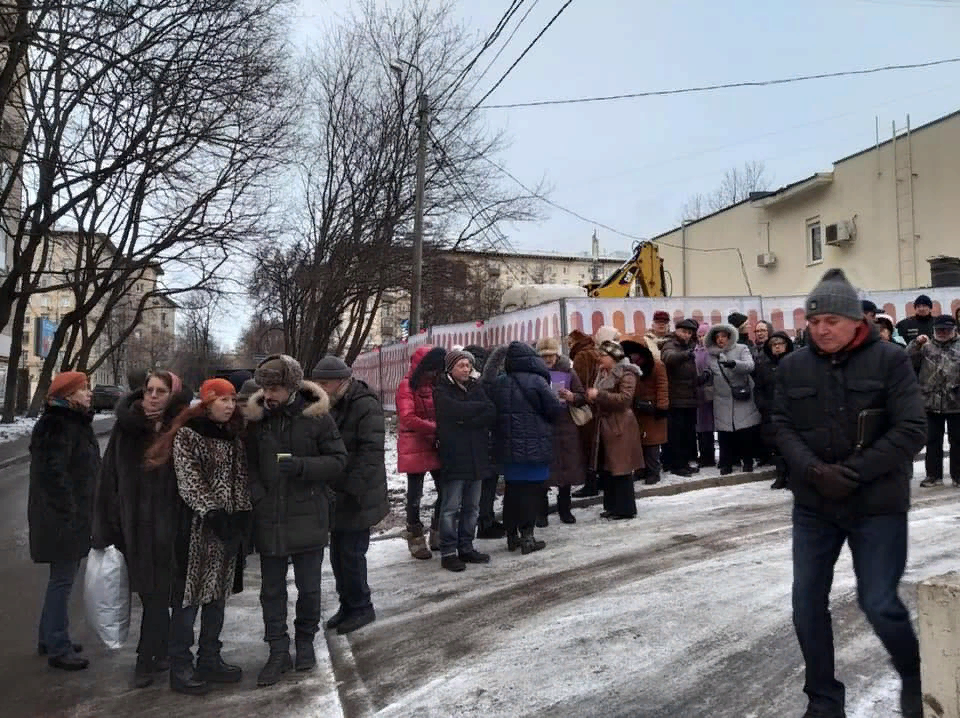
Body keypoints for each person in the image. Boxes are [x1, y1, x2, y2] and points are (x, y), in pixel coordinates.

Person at [772, 268, 927, 718]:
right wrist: (813, 470)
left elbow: (912, 428)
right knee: (806, 605)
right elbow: (780, 424)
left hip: (877, 504)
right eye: (814, 321)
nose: (821, 329)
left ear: (856, 320)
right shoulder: (792, 365)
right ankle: (823, 700)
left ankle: (916, 675)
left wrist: (853, 473)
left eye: (832, 321)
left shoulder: (890, 361)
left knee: (878, 601)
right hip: (815, 506)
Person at [243, 354, 348, 686]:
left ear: (290, 387)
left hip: (308, 514)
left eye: (274, 388)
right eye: (265, 388)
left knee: (308, 589)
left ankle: (305, 642)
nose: (268, 394)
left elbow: (338, 461)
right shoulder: (256, 420)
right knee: (271, 591)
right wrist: (258, 495)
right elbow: (247, 466)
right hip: (270, 517)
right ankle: (277, 650)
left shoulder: (317, 417)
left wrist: (302, 466)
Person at [143, 378, 252, 695]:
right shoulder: (188, 436)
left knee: (218, 596)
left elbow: (242, 478)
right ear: (207, 403)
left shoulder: (233, 437)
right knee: (189, 599)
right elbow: (189, 480)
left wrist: (242, 514)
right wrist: (214, 513)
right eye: (223, 400)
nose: (230, 406)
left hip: (228, 530)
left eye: (233, 400)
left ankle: (210, 658)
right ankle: (180, 666)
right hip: (195, 531)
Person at [92, 371, 193, 688]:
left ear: (173, 395)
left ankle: (161, 654)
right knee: (152, 597)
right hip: (137, 527)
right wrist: (105, 528)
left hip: (177, 528)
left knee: (171, 597)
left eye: (160, 391)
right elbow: (108, 479)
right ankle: (145, 661)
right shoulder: (127, 427)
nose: (152, 396)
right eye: (149, 390)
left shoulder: (185, 426)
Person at [311, 356, 389, 635]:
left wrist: (350, 489)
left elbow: (370, 453)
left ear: (342, 381)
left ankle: (362, 607)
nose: (320, 388)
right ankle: (347, 605)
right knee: (338, 555)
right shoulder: (331, 404)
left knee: (352, 554)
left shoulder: (364, 404)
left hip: (358, 494)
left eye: (324, 383)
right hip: (339, 491)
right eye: (317, 383)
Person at [29, 372, 99, 672]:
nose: (89, 393)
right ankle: (58, 646)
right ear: (69, 395)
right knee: (62, 581)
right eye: (84, 389)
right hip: (61, 518)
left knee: (60, 580)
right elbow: (53, 476)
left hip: (67, 516)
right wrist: (70, 514)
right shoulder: (58, 425)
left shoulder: (73, 422)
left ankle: (49, 637)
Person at [491, 342, 566, 553]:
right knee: (531, 493)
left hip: (508, 449)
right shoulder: (537, 381)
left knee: (512, 492)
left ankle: (511, 537)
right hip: (535, 447)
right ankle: (528, 538)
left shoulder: (499, 383)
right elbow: (555, 410)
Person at [432, 349, 497, 572]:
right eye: (461, 365)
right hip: (455, 456)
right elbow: (451, 412)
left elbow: (490, 411)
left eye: (468, 365)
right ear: (451, 368)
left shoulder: (476, 387)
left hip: (477, 455)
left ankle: (466, 546)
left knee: (472, 507)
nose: (466, 369)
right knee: (450, 507)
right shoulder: (441, 390)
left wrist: (465, 419)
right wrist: (472, 414)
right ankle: (448, 551)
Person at [395, 346, 446, 559]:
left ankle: (437, 531)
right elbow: (407, 417)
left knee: (445, 489)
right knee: (415, 494)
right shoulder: (406, 385)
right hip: (415, 443)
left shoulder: (436, 385)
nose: (434, 373)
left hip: (434, 443)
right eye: (431, 369)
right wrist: (436, 428)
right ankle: (415, 536)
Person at [587, 341, 645, 519]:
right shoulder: (603, 372)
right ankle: (612, 506)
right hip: (605, 425)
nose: (599, 359)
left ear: (613, 358)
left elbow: (625, 400)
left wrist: (599, 395)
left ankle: (625, 509)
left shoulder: (627, 373)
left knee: (621, 468)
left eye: (603, 355)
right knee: (608, 468)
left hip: (620, 425)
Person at [536, 337, 587, 523]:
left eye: (550, 355)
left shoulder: (568, 372)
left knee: (566, 469)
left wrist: (572, 396)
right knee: (543, 469)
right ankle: (540, 511)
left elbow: (582, 396)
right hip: (544, 426)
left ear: (557, 354)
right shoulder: (535, 374)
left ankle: (565, 508)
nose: (548, 359)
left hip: (566, 426)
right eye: (544, 356)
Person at [907, 315, 960, 488]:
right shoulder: (925, 347)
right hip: (930, 402)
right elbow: (905, 360)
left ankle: (958, 476)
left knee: (958, 441)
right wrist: (915, 344)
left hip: (956, 403)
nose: (943, 333)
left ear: (954, 330)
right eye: (939, 330)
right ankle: (933, 475)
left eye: (947, 330)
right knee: (932, 440)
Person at [705, 323, 761, 475]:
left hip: (741, 396)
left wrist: (735, 364)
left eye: (723, 336)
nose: (720, 340)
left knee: (745, 432)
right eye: (717, 337)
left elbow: (750, 366)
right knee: (725, 434)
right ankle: (726, 464)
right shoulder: (710, 354)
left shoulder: (741, 348)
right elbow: (710, 372)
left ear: (730, 337)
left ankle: (748, 461)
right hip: (722, 399)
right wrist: (706, 376)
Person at [465, 344, 504, 540]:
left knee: (485, 483)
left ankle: (485, 520)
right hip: (486, 438)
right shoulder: (484, 382)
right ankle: (485, 522)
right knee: (486, 483)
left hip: (479, 440)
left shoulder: (470, 382)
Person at [623, 340, 669, 485]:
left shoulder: (656, 365)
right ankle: (640, 470)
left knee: (652, 444)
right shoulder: (629, 366)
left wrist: (661, 407)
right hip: (636, 409)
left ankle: (653, 472)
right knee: (638, 442)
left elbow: (662, 386)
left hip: (652, 410)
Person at [753, 333, 794, 489]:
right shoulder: (764, 366)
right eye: (773, 344)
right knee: (775, 445)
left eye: (780, 343)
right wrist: (762, 405)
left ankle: (793, 475)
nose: (777, 347)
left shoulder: (793, 363)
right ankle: (781, 474)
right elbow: (758, 388)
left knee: (791, 444)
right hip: (770, 411)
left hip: (791, 411)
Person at [660, 318, 701, 476]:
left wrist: (701, 378)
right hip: (676, 399)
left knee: (686, 435)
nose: (686, 335)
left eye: (689, 333)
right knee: (676, 435)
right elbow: (669, 358)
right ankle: (676, 465)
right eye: (684, 331)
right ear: (676, 331)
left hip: (689, 398)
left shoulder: (689, 346)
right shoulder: (670, 344)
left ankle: (683, 463)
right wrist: (686, 354)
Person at [567, 330, 602, 497]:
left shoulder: (581, 356)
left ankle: (591, 484)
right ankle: (599, 481)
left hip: (586, 407)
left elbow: (579, 382)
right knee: (597, 447)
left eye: (569, 341)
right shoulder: (595, 352)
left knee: (587, 447)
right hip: (597, 405)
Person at [694, 323, 716, 468]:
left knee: (711, 425)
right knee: (700, 426)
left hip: (711, 392)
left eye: (704, 335)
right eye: (700, 336)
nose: (702, 339)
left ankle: (710, 456)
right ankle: (704, 455)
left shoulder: (713, 351)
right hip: (698, 394)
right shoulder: (695, 350)